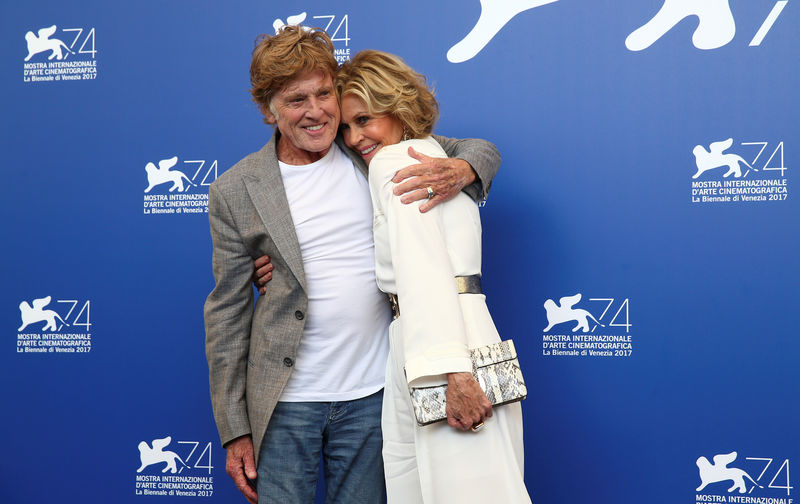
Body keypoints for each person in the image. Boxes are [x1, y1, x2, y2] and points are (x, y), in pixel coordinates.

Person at [204, 26, 500, 504]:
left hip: (373, 394)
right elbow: (226, 315)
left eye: (325, 93)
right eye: (297, 99)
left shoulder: (366, 148)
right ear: (268, 109)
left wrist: (462, 171)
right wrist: (233, 429)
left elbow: (478, 149)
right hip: (284, 402)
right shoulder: (235, 190)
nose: (317, 111)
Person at [335, 50, 531, 503]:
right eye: (346, 126)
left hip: (439, 346)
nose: (354, 137)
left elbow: (422, 269)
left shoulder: (393, 163)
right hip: (460, 331)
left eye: (364, 120)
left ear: (399, 109)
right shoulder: (432, 156)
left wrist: (454, 375)